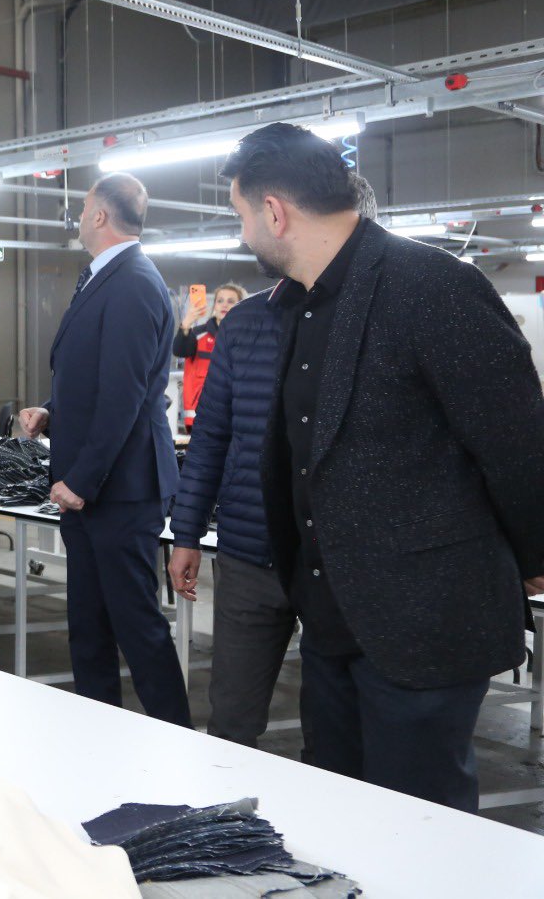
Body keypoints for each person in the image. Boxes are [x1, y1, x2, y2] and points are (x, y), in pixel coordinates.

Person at [224, 122, 544, 810]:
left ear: (274, 211)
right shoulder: (300, 306)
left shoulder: (432, 285)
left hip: (425, 624)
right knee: (341, 815)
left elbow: (518, 442)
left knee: (421, 825)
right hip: (330, 621)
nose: (243, 234)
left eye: (241, 215)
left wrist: (535, 556)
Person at [169, 177, 378, 750]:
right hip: (250, 553)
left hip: (341, 560)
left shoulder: (374, 318)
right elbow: (212, 437)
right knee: (232, 720)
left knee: (336, 732)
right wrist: (186, 532)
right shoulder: (245, 322)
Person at [20, 173, 190, 727]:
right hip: (95, 490)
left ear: (99, 215)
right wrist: (52, 411)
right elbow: (100, 380)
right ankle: (99, 735)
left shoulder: (133, 282)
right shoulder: (105, 277)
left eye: (82, 208)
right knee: (89, 627)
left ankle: (178, 740)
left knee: (136, 627)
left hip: (119, 491)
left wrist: (81, 480)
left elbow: (124, 397)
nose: (77, 217)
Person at [173, 283, 246, 428]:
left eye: (231, 301)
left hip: (234, 414)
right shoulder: (198, 334)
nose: (224, 305)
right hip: (199, 415)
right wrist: (186, 323)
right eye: (220, 301)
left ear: (241, 306)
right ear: (214, 306)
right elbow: (180, 351)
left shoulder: (247, 338)